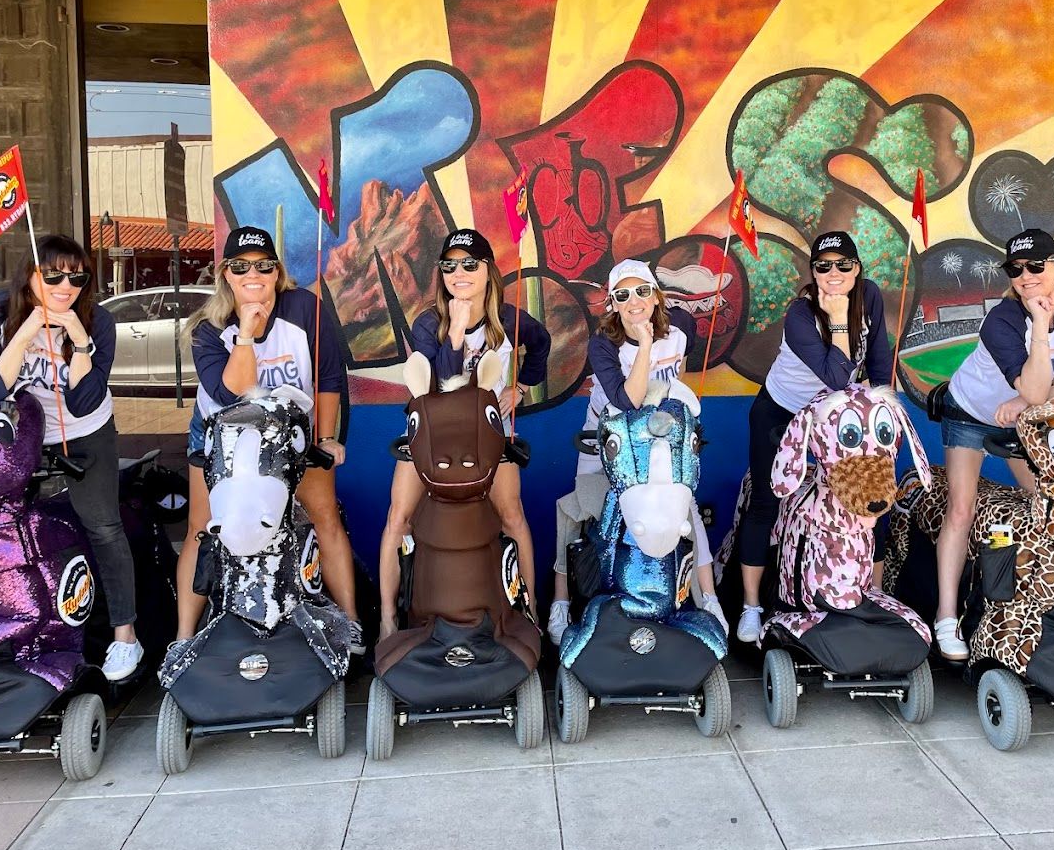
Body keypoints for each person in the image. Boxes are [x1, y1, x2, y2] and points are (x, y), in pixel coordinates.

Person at [0, 235, 144, 681]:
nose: (66, 286)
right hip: (15, 435)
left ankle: (126, 637)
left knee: (102, 525)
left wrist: (80, 342)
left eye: (77, 277)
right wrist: (25, 333)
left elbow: (84, 401)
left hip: (83, 431)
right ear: (29, 275)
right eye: (53, 275)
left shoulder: (96, 321)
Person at [176, 227, 363, 651]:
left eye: (264, 265)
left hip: (288, 433)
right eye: (240, 267)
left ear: (277, 272)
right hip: (221, 436)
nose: (253, 274)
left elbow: (329, 375)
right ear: (226, 273)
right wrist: (245, 332)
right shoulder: (209, 327)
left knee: (324, 515)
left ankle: (351, 622)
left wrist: (327, 437)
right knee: (201, 530)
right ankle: (184, 637)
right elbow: (229, 393)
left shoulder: (303, 307)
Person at [931, 228, 1054, 660]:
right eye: (1016, 269)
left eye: (1036, 266)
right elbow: (1037, 386)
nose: (1026, 275)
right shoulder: (1002, 319)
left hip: (1025, 418)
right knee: (962, 507)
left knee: (1045, 501)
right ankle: (945, 615)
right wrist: (1040, 329)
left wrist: (1030, 398)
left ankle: (1045, 604)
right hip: (972, 413)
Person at [377, 229, 549, 639]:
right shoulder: (427, 323)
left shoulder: (509, 319)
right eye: (450, 265)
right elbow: (442, 380)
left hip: (490, 442)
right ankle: (386, 619)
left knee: (512, 518)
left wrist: (520, 387)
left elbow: (541, 344)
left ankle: (530, 609)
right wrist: (454, 330)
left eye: (470, 264)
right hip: (430, 443)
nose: (460, 272)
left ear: (488, 270)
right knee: (398, 521)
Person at [547, 259, 727, 645]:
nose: (634, 302)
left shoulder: (680, 328)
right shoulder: (603, 344)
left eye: (642, 291)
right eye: (622, 295)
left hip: (658, 445)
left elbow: (689, 335)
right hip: (608, 443)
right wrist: (645, 344)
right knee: (580, 510)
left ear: (656, 295)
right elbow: (628, 401)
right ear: (612, 303)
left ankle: (708, 598)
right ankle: (561, 601)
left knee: (687, 510)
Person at [735, 231, 894, 643]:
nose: (834, 273)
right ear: (813, 271)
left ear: (857, 269)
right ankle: (752, 607)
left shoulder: (870, 296)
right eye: (824, 266)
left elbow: (877, 358)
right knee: (766, 504)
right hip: (783, 413)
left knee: (867, 498)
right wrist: (838, 317)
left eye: (844, 265)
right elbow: (838, 376)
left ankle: (870, 593)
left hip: (835, 419)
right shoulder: (800, 314)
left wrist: (883, 411)